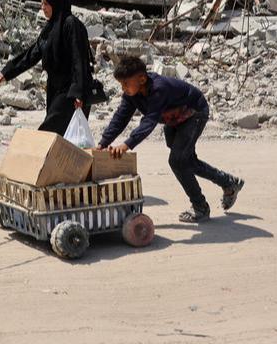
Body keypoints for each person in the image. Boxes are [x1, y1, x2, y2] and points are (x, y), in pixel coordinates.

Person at [96, 56, 245, 223]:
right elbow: (121, 117)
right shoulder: (132, 94)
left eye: (126, 84)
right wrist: (103, 143)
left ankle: (200, 207)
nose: (123, 89)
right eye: (121, 85)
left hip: (193, 113)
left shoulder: (159, 89)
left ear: (142, 79)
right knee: (185, 160)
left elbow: (149, 121)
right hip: (173, 119)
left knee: (178, 161)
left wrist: (126, 145)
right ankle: (228, 183)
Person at [0, 0, 98, 135]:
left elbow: (79, 60)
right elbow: (32, 54)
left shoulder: (71, 25)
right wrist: (7, 73)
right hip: (55, 88)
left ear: (56, 4)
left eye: (46, 4)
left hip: (71, 90)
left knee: (50, 131)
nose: (43, 8)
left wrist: (78, 92)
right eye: (42, 4)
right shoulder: (50, 28)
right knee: (60, 135)